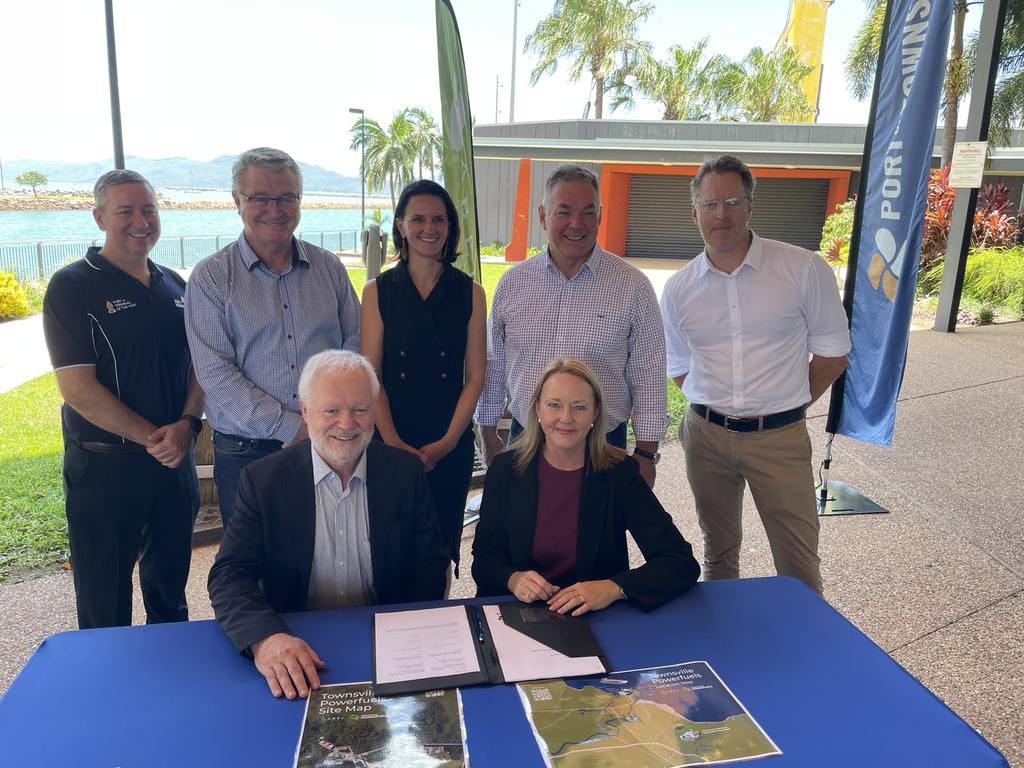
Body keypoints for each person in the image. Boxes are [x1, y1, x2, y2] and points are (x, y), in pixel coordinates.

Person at [208, 350, 448, 700]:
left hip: (386, 648)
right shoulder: (263, 481)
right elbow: (229, 575)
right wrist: (265, 639)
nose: (347, 424)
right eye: (331, 410)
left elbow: (430, 564)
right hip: (296, 644)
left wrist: (405, 631)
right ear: (305, 411)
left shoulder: (405, 473)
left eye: (360, 410)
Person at [660, 155, 851, 595]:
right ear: (694, 214)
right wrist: (718, 404)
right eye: (710, 205)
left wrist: (783, 404)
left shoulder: (802, 270)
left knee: (797, 560)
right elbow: (680, 366)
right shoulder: (679, 288)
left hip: (778, 440)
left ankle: (807, 651)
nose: (721, 214)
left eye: (731, 201)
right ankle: (726, 646)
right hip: (705, 437)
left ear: (751, 206)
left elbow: (833, 355)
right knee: (718, 551)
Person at [42, 170, 203, 629]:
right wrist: (156, 438)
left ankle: (169, 687)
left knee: (170, 597)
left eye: (149, 209)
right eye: (126, 211)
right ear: (99, 218)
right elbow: (76, 388)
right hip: (105, 469)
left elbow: (200, 366)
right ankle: (107, 696)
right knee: (104, 606)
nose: (141, 220)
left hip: (174, 466)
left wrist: (189, 424)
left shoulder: (175, 285)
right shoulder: (72, 286)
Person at [185, 147, 360, 527]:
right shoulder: (212, 278)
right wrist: (293, 425)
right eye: (260, 198)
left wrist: (329, 419)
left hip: (331, 441)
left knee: (330, 553)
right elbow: (215, 373)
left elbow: (354, 346)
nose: (275, 210)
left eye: (286, 198)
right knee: (254, 566)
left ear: (299, 201)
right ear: (237, 201)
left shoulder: (328, 267)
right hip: (248, 451)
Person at [475, 164, 666, 488]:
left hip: (603, 444)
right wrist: (488, 431)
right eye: (563, 212)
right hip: (525, 438)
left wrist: (646, 455)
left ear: (601, 216)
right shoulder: (513, 284)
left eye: (587, 212)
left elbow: (649, 373)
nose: (576, 224)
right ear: (542, 216)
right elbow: (495, 362)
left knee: (600, 536)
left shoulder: (633, 287)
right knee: (521, 534)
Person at [472, 357, 699, 614]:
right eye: (554, 405)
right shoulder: (506, 470)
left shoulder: (620, 473)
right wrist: (512, 579)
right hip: (520, 614)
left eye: (579, 407)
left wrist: (614, 587)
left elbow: (679, 561)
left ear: (595, 412)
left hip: (595, 617)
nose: (565, 418)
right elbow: (484, 561)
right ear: (537, 409)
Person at [360, 180, 486, 574]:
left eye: (438, 219)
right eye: (418, 218)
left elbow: (476, 376)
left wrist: (447, 443)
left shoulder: (471, 292)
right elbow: (371, 373)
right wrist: (394, 442)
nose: (428, 228)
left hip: (448, 439)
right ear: (400, 225)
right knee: (387, 544)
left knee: (440, 548)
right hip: (390, 435)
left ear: (450, 227)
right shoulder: (377, 291)